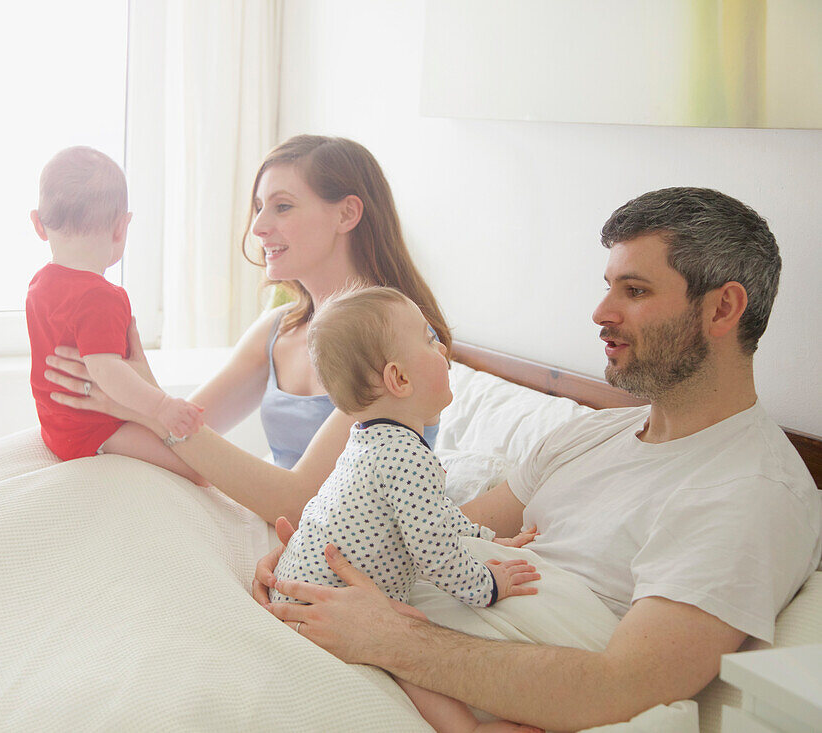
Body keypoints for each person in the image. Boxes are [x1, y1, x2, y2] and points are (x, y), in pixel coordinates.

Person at [253, 187, 822, 731]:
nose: (600, 311)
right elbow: (439, 532)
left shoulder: (749, 492)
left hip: (420, 665)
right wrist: (322, 563)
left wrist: (387, 638)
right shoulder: (591, 435)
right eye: (607, 287)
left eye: (636, 290)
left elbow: (621, 687)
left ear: (722, 309)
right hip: (373, 630)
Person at [43, 135, 453, 528]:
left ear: (346, 214)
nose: (258, 226)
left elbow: (302, 501)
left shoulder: (398, 342)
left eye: (282, 207)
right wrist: (126, 398)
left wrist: (142, 406)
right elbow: (190, 445)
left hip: (336, 543)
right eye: (258, 207)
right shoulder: (279, 329)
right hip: (278, 532)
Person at [271, 285, 542, 733]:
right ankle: (465, 728)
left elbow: (437, 515)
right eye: (430, 339)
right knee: (407, 637)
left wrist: (491, 540)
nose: (444, 349)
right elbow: (435, 553)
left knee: (401, 627)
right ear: (399, 379)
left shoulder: (369, 441)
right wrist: (488, 583)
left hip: (304, 585)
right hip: (328, 603)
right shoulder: (406, 457)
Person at [26, 146, 204, 482]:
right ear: (121, 228)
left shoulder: (39, 284)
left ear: (38, 224)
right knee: (198, 473)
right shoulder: (102, 297)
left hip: (55, 424)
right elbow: (106, 371)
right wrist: (162, 407)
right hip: (92, 430)